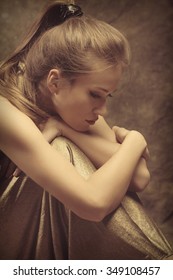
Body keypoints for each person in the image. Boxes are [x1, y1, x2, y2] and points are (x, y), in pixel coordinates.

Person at [0, 0, 172, 260]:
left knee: (78, 151)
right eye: (95, 94)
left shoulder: (66, 105)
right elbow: (93, 204)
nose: (103, 110)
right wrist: (135, 142)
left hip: (45, 233)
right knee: (62, 149)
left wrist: (64, 129)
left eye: (108, 96)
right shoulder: (5, 110)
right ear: (55, 81)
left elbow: (138, 177)